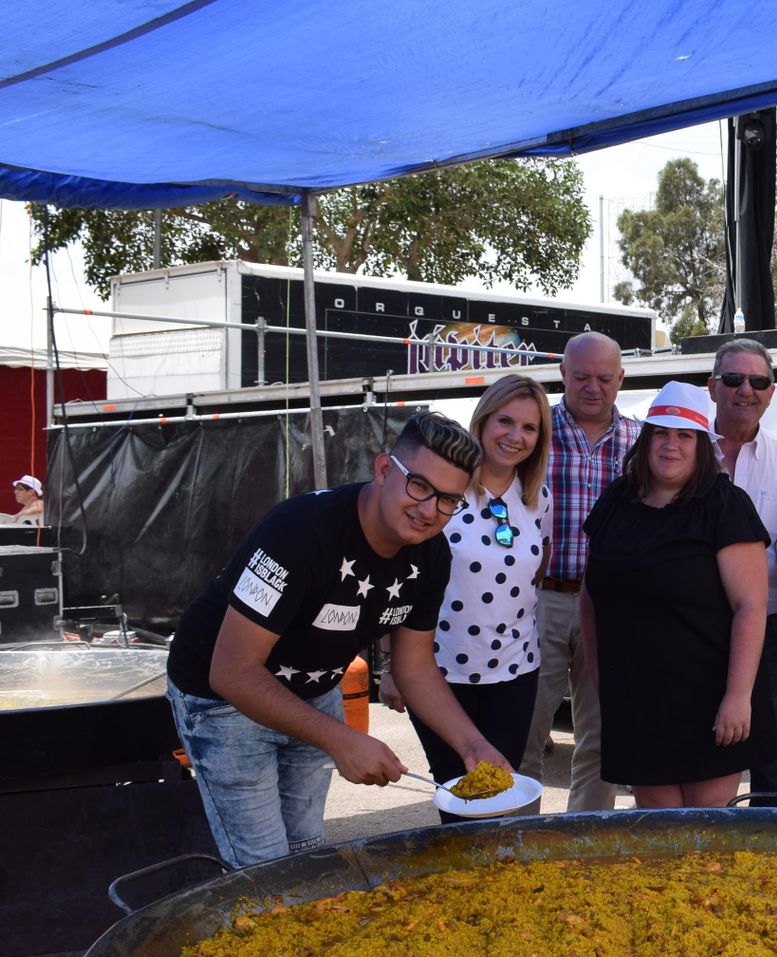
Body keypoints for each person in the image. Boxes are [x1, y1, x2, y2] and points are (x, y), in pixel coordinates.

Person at [164, 412, 512, 867]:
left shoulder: (431, 553)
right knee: (263, 868)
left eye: (449, 500)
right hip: (221, 698)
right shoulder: (299, 532)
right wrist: (341, 739)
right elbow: (231, 670)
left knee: (305, 852)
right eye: (420, 486)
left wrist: (472, 745)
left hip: (313, 690)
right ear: (385, 469)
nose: (429, 510)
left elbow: (414, 667)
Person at [581, 381, 774, 806]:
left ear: (703, 445)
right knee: (655, 822)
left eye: (684, 435)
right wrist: (600, 680)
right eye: (661, 433)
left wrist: (738, 697)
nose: (671, 445)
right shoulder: (617, 500)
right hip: (635, 695)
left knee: (704, 830)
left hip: (710, 694)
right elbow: (592, 598)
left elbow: (751, 606)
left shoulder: (726, 506)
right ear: (646, 440)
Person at [381, 375, 553, 822]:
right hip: (439, 670)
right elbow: (402, 577)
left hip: (516, 669)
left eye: (529, 428)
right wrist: (390, 665)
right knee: (459, 794)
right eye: (505, 421)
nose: (515, 437)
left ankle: (497, 886)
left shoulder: (538, 498)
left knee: (502, 789)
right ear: (483, 421)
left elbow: (536, 571)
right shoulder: (445, 490)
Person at [519, 331, 640, 811]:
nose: (594, 387)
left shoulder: (642, 440)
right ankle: (517, 836)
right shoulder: (530, 432)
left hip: (611, 604)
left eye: (605, 377)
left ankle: (584, 841)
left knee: (603, 734)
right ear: (563, 375)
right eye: (582, 376)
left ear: (621, 379)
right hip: (536, 598)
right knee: (524, 729)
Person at [707, 338, 777, 804]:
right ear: (712, 387)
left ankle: (775, 864)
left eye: (758, 381)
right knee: (698, 752)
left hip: (770, 629)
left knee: (776, 759)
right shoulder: (680, 447)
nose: (746, 389)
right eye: (733, 379)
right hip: (697, 627)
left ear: (771, 392)